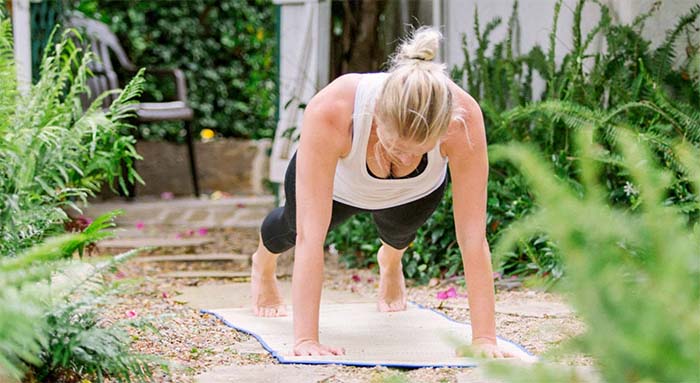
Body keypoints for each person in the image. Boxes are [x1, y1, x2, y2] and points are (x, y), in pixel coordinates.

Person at [250, 27, 517, 359]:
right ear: (376, 116)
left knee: (400, 233)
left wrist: (485, 340)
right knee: (290, 229)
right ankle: (262, 264)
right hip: (341, 185)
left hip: (414, 190)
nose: (405, 158)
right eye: (396, 147)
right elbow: (311, 239)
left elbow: (473, 237)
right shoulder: (334, 109)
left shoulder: (462, 120)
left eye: (417, 151)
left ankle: (391, 261)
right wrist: (306, 340)